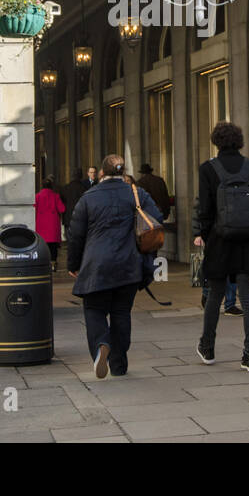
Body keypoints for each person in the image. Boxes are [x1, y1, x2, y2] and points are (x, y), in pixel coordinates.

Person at [67, 154, 162, 378]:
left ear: (101, 173)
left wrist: (73, 264)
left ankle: (101, 344)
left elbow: (75, 235)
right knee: (121, 312)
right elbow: (156, 218)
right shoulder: (137, 193)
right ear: (123, 172)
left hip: (96, 265)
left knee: (94, 309)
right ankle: (119, 364)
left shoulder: (88, 197)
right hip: (129, 265)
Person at [194, 122, 249, 373]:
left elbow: (204, 210)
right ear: (239, 141)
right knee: (248, 298)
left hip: (220, 240)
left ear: (216, 141)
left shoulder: (208, 169)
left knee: (215, 295)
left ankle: (207, 347)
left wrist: (205, 235)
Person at [34, 177, 66, 270]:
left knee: (43, 246)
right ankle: (53, 264)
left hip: (41, 226)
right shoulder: (55, 196)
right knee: (53, 247)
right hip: (53, 226)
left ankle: (44, 264)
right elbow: (62, 209)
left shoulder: (38, 196)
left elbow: (34, 209)